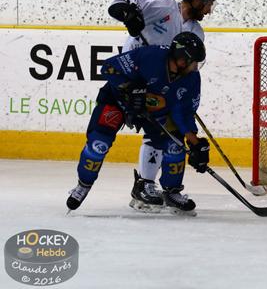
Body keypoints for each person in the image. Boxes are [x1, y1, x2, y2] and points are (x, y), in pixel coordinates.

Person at [66, 32, 210, 217]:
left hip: (152, 112)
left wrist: (194, 142)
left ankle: (172, 191)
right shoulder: (150, 56)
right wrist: (130, 87)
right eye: (193, 62)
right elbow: (108, 67)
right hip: (117, 102)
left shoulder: (191, 79)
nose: (195, 67)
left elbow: (183, 112)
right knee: (98, 144)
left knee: (176, 145)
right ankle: (83, 185)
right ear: (182, 59)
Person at [107, 0, 216, 211]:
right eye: (207, 4)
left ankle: (170, 190)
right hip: (138, 79)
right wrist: (129, 16)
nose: (208, 10)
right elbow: (123, 5)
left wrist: (183, 98)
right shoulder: (163, 7)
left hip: (166, 86)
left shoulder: (196, 31)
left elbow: (191, 67)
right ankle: (144, 186)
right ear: (195, 0)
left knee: (173, 133)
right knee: (155, 132)